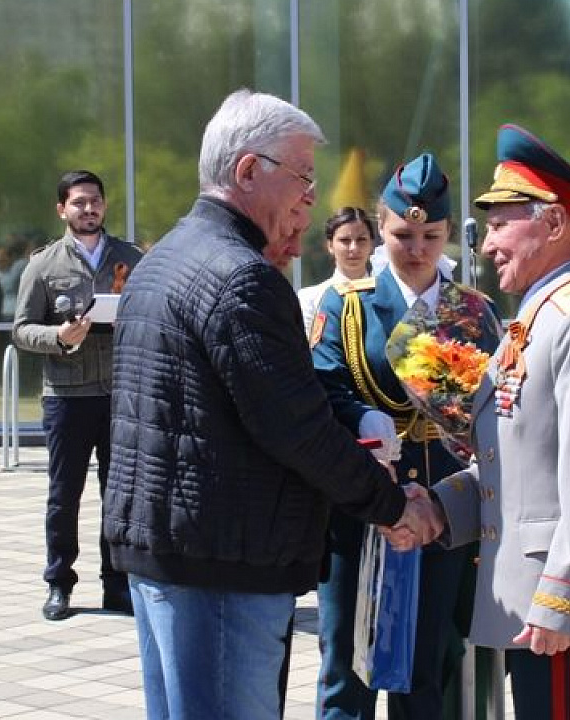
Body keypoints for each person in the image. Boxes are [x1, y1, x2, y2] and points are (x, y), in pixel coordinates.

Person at [103, 89, 441, 720]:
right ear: (249, 171)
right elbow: (297, 429)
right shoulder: (241, 277)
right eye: (303, 180)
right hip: (223, 562)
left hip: (173, 551)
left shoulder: (164, 258)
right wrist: (393, 506)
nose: (310, 202)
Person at [425, 124, 570, 720]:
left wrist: (564, 599)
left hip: (556, 609)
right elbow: (515, 464)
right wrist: (440, 508)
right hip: (533, 601)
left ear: (552, 224)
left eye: (501, 224)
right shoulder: (537, 315)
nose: (488, 244)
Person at [311, 154, 496, 719]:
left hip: (444, 506)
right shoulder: (347, 304)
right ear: (378, 228)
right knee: (349, 659)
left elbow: (491, 403)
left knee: (431, 663)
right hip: (366, 499)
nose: (416, 248)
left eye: (431, 235)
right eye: (402, 234)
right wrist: (358, 417)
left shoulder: (471, 310)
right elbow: (322, 387)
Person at [12, 170, 144, 622]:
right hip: (67, 396)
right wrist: (61, 336)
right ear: (62, 209)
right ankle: (59, 583)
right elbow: (21, 330)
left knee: (120, 493)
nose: (88, 210)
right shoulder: (44, 265)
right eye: (79, 203)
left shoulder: (131, 256)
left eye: (95, 202)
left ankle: (118, 584)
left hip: (119, 393)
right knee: (64, 494)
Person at [297, 207, 376, 336]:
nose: (354, 248)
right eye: (345, 241)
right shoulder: (310, 298)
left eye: (361, 240)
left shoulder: (386, 294)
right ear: (330, 246)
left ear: (371, 244)